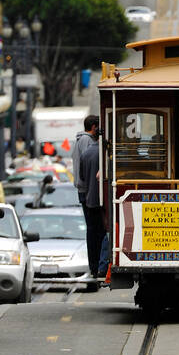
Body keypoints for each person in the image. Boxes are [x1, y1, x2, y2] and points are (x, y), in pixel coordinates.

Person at [76, 115, 104, 284]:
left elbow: (82, 176)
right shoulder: (99, 151)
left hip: (88, 197)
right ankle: (100, 266)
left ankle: (95, 267)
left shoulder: (85, 151)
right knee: (102, 233)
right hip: (97, 199)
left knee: (92, 232)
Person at [73, 115, 99, 222]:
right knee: (92, 224)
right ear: (94, 127)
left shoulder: (83, 139)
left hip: (84, 188)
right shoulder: (86, 140)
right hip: (86, 189)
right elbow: (87, 163)